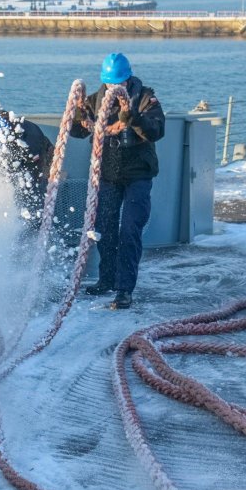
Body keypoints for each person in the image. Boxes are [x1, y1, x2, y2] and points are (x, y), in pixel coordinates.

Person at [70, 53, 165, 309]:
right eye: (111, 85)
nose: (115, 89)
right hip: (108, 175)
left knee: (129, 231)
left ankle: (124, 289)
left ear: (128, 78)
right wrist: (78, 112)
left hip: (137, 175)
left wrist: (132, 117)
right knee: (105, 229)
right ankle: (107, 279)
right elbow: (78, 131)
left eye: (119, 84)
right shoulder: (95, 101)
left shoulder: (146, 100)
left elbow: (156, 130)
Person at [0, 109, 54, 229]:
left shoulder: (30, 138)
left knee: (32, 203)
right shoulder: (6, 131)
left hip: (37, 166)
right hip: (23, 163)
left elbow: (35, 164)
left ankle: (35, 232)